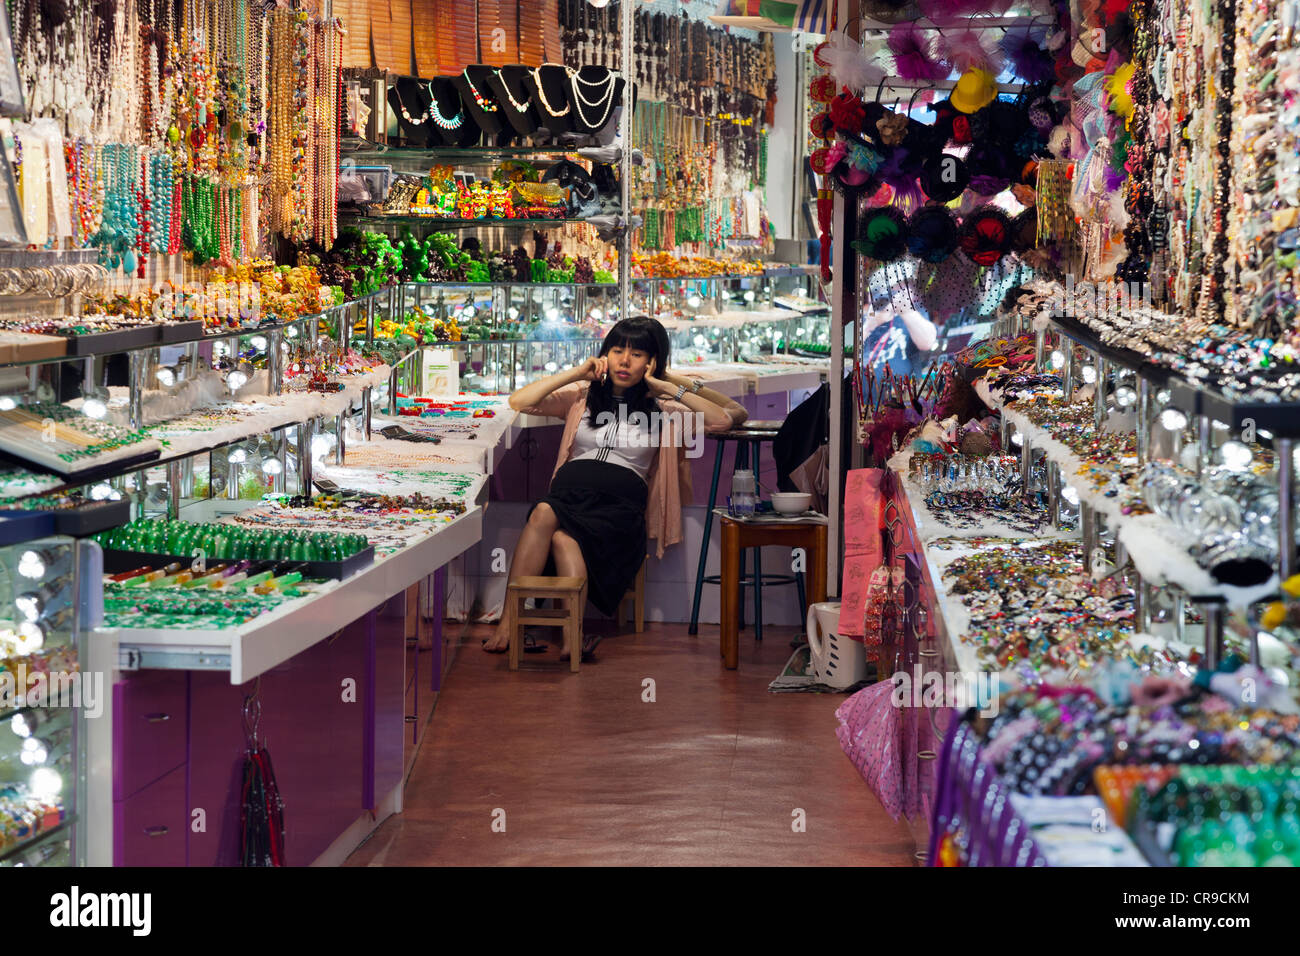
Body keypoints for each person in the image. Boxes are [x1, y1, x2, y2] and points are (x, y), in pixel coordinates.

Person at [483, 316, 747, 660]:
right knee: (554, 523)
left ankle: (525, 626)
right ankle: (527, 627)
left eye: (637, 354)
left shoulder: (663, 407)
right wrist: (578, 372)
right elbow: (521, 401)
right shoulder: (582, 396)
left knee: (552, 519)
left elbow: (728, 416)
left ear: (652, 361)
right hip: (569, 495)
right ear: (604, 353)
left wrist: (669, 383)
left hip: (618, 510)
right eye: (617, 349)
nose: (625, 360)